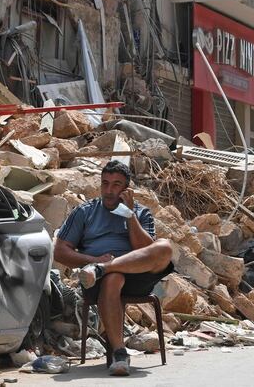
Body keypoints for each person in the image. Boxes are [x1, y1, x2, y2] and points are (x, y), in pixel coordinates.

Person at [53, 160, 173, 376]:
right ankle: (119, 352)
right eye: (105, 183)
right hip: (94, 279)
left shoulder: (140, 213)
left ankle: (104, 268)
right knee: (113, 278)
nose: (109, 191)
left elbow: (145, 250)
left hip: (136, 277)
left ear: (127, 189)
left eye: (116, 185)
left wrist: (129, 215)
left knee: (164, 247)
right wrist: (92, 259)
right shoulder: (84, 212)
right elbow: (60, 251)